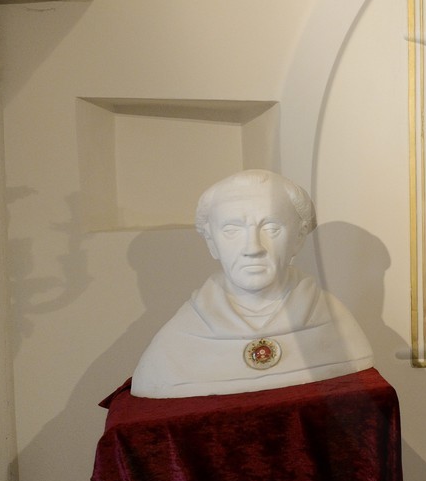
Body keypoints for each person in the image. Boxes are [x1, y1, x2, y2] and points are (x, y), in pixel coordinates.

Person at [131, 169, 373, 398]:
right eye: (232, 230)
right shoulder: (176, 342)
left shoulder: (335, 323)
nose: (253, 248)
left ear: (299, 237)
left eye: (271, 228)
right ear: (211, 242)